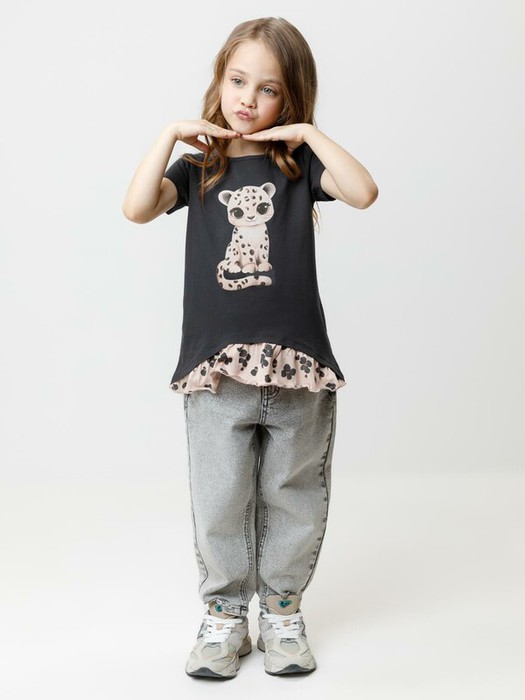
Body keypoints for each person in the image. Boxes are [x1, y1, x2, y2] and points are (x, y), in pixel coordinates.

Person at [122, 16, 378, 679]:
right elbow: (137, 208)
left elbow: (363, 192)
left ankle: (283, 612)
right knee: (221, 498)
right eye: (238, 81)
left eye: (268, 89)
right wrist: (168, 134)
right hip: (216, 370)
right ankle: (225, 616)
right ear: (219, 81)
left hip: (295, 365)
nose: (248, 98)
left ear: (289, 99)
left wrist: (309, 133)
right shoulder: (199, 167)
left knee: (293, 493)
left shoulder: (299, 166)